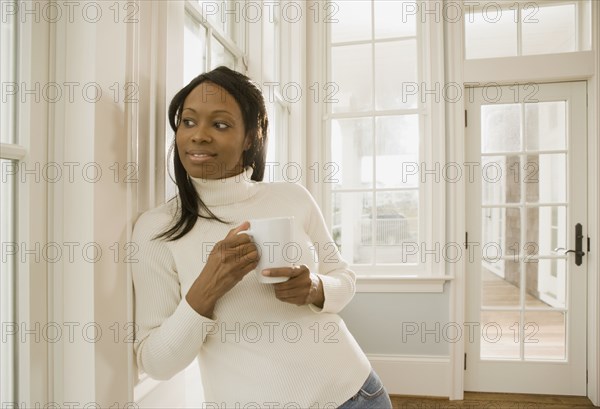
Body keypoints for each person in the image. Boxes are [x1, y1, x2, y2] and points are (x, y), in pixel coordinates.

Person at [132, 66, 393, 408]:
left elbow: (344, 276)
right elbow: (156, 362)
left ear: (250, 137)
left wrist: (316, 287)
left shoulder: (293, 197)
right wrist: (206, 288)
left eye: (220, 124)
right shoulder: (157, 229)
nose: (198, 135)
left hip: (355, 393)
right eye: (189, 121)